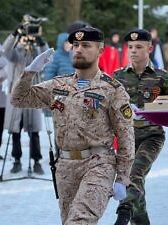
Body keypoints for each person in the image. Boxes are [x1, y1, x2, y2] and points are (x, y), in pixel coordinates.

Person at [10, 26, 135, 225]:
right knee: (68, 220)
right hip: (65, 166)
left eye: (86, 45)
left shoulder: (113, 90)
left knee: (80, 221)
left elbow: (126, 135)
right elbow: (18, 99)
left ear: (100, 50)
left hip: (99, 163)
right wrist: (29, 72)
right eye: (76, 45)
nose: (78, 49)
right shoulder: (58, 85)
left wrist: (122, 178)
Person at [113, 28, 168, 225]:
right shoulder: (118, 76)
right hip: (127, 138)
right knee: (137, 183)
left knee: (134, 173)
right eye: (130, 47)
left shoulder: (161, 76)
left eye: (138, 47)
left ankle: (123, 212)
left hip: (152, 136)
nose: (133, 51)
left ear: (149, 48)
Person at [1, 23, 48, 174]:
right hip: (16, 94)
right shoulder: (15, 53)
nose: (28, 38)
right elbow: (5, 50)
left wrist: (41, 41)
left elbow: (48, 58)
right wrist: (14, 34)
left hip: (33, 94)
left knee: (34, 130)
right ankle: (16, 160)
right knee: (15, 130)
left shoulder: (36, 52)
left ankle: (37, 161)